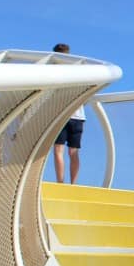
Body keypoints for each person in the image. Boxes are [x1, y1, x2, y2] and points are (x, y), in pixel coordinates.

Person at [51, 43, 85, 184]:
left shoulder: (54, 73)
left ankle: (60, 182)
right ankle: (73, 184)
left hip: (61, 116)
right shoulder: (78, 72)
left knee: (58, 150)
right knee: (73, 151)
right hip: (78, 117)